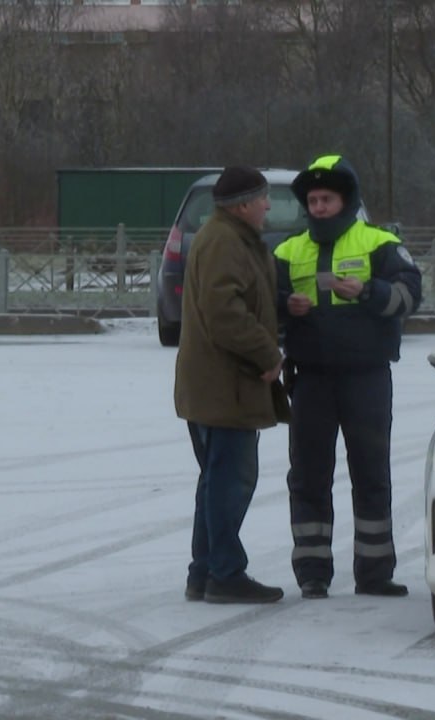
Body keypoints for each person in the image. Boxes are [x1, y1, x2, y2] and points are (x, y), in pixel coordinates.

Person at [274, 155, 423, 600]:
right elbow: (263, 302)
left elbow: (410, 296)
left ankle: (375, 573)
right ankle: (313, 572)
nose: (319, 207)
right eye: (313, 200)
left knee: (371, 473)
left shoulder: (381, 243)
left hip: (366, 378)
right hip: (311, 380)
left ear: (347, 200)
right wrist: (285, 305)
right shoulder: (287, 250)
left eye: (327, 198)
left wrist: (368, 291)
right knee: (308, 477)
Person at [174, 165, 289, 604]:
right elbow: (225, 312)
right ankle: (224, 573)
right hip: (225, 388)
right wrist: (267, 353)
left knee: (215, 480)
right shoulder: (225, 242)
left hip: (213, 386)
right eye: (262, 199)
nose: (267, 207)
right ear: (242, 205)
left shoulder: (227, 237)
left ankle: (204, 572)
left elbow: (242, 300)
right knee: (229, 482)